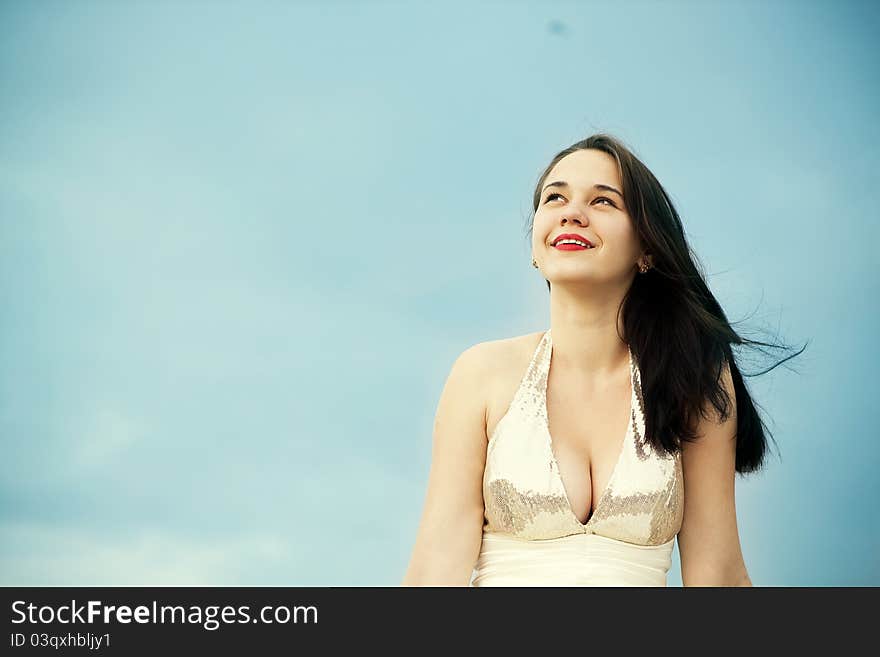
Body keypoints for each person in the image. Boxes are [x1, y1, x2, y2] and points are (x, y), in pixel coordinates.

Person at [401, 133, 802, 587]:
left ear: (646, 248)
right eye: (555, 197)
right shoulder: (480, 375)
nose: (572, 213)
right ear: (535, 247)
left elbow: (719, 575)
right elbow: (434, 571)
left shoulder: (696, 377)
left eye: (604, 202)